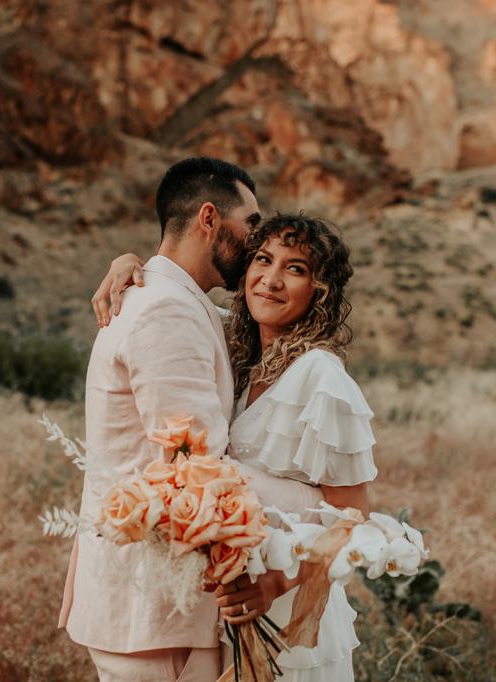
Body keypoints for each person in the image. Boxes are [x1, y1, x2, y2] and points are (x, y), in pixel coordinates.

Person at [93, 213, 377, 681]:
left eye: (296, 269)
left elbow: (353, 518)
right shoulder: (240, 352)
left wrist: (276, 582)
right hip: (231, 613)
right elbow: (172, 303)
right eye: (263, 260)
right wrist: (130, 265)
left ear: (320, 291)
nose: (271, 280)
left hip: (289, 613)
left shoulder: (322, 379)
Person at [59, 156, 261, 682]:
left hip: (155, 610)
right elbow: (195, 465)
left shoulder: (170, 298)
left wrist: (130, 258)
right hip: (155, 611)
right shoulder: (166, 310)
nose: (259, 243)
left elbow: (263, 321)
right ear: (210, 219)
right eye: (252, 225)